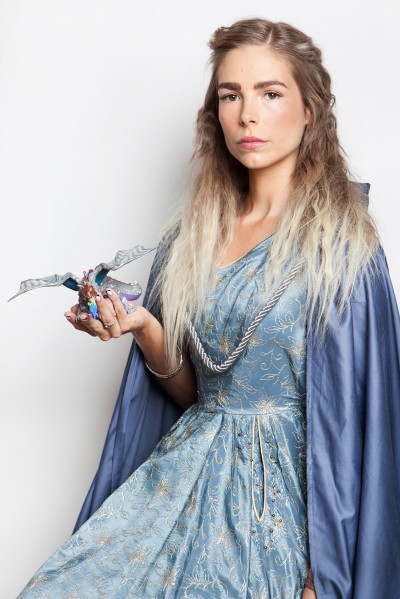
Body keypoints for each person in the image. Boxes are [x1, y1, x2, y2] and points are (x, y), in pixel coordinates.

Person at [18, 17, 400, 599]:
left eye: (271, 94)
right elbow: (203, 394)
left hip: (283, 520)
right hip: (183, 480)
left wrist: (322, 576)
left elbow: (359, 429)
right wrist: (145, 326)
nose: (248, 115)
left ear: (310, 111)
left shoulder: (342, 247)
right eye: (230, 95)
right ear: (214, 112)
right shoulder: (191, 238)